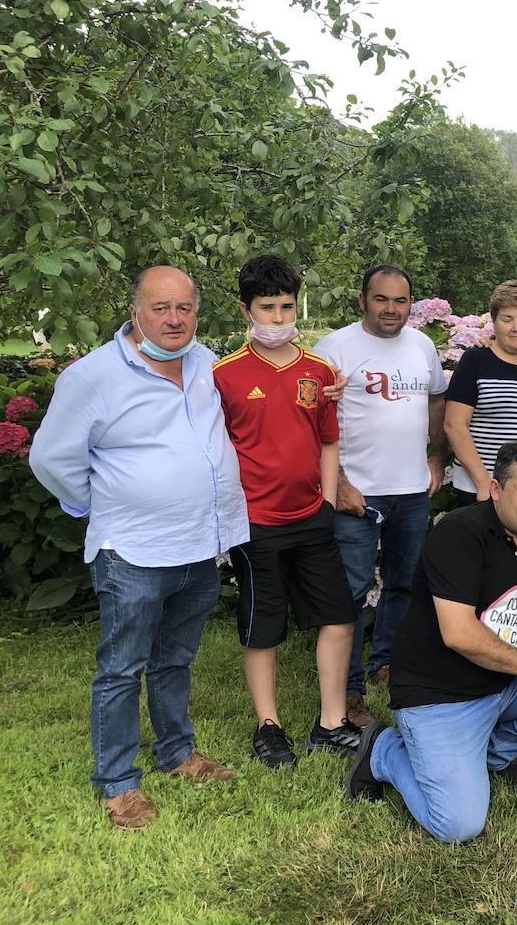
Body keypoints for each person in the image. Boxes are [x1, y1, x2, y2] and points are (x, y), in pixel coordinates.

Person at [29, 266, 248, 829]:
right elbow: (50, 458)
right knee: (122, 667)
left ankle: (176, 753)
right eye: (160, 307)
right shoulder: (93, 376)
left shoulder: (203, 362)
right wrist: (96, 502)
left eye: (184, 308)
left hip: (200, 542)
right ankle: (118, 782)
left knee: (175, 659)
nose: (174, 319)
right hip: (132, 550)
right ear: (135, 312)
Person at [343, 442, 517, 843]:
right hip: (439, 694)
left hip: (505, 680)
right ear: (495, 489)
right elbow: (460, 634)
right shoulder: (459, 533)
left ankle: (493, 753)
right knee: (458, 825)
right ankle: (383, 750)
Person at [213, 255, 359, 769]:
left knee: (340, 615)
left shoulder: (319, 372)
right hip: (255, 523)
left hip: (312, 517)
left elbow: (327, 439)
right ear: (245, 310)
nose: (278, 318)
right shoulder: (224, 376)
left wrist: (324, 498)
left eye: (285, 307)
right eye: (267, 308)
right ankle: (269, 727)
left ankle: (332, 722)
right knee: (263, 624)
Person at [314, 263, 447, 728]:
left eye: (401, 300)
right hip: (357, 493)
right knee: (349, 593)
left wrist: (437, 457)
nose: (392, 309)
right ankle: (348, 691)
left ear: (411, 303)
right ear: (362, 300)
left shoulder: (423, 345)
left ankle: (384, 663)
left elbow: (436, 400)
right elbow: (312, 419)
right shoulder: (334, 348)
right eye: (381, 299)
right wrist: (340, 484)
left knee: (404, 583)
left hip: (411, 489)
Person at [445, 280, 517, 507]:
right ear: (494, 321)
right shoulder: (476, 360)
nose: (516, 327)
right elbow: (454, 425)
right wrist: (483, 483)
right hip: (483, 487)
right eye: (507, 319)